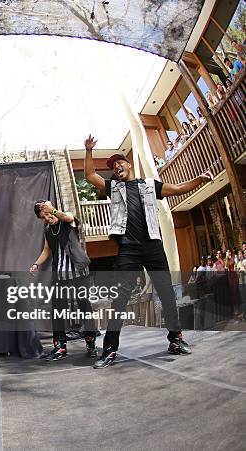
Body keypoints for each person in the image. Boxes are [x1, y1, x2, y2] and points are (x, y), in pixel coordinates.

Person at [84, 134, 213, 368]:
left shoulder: (149, 184)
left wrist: (199, 180)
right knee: (119, 300)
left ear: (129, 164)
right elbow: (90, 175)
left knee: (166, 293)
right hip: (127, 248)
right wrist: (89, 150)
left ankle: (176, 339)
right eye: (113, 166)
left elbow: (178, 188)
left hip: (153, 245)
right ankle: (110, 350)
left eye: (119, 163)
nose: (116, 166)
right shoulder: (114, 187)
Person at [30, 200, 98, 360]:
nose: (47, 218)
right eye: (43, 217)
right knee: (57, 311)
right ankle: (60, 346)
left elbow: (67, 218)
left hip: (78, 273)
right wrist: (36, 264)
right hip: (60, 275)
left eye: (47, 214)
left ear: (52, 209)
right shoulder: (48, 231)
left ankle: (91, 343)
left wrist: (52, 211)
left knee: (84, 307)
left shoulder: (67, 220)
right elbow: (47, 250)